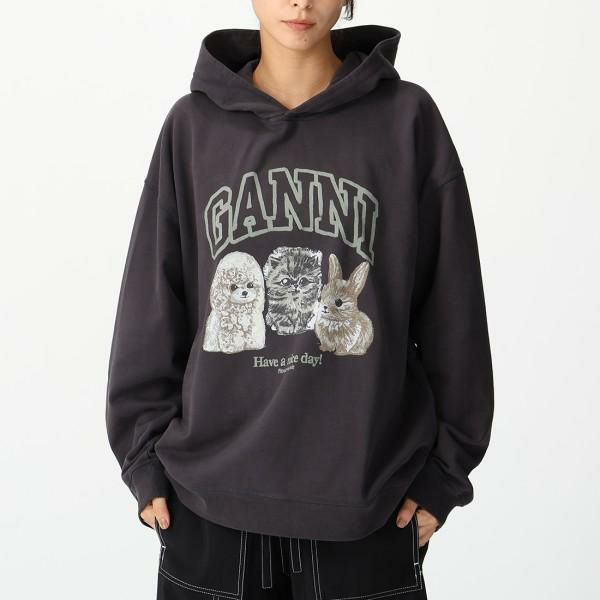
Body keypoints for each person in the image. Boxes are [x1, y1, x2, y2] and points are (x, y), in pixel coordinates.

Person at [105, 1, 494, 598]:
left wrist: (443, 476)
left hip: (369, 511)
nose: (299, 1)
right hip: (208, 511)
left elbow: (454, 309)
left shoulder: (406, 120)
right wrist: (143, 460)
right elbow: (153, 302)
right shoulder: (193, 126)